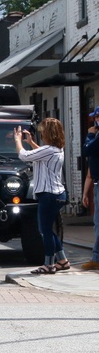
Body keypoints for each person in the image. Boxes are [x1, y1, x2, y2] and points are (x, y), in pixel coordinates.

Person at [16, 118, 68, 273]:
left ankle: (49, 264)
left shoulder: (48, 150)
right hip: (57, 194)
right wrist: (31, 142)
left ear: (49, 132)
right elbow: (41, 155)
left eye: (43, 130)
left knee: (44, 231)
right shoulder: (57, 149)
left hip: (48, 195)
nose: (41, 132)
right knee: (48, 230)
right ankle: (63, 260)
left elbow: (24, 156)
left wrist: (18, 140)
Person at [81, 109, 99, 270]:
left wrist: (90, 135)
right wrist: (86, 192)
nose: (96, 121)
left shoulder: (96, 137)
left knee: (98, 223)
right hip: (96, 183)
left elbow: (86, 150)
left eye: (98, 117)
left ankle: (96, 258)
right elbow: (90, 170)